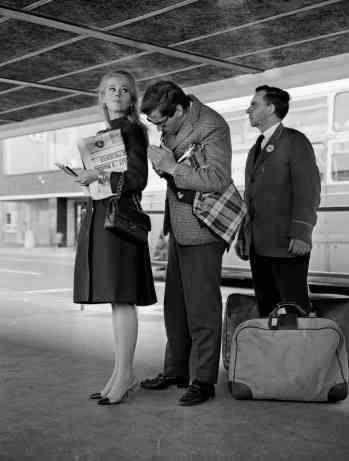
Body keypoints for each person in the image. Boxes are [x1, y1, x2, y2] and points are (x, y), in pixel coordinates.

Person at [140, 81, 232, 406]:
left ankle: (203, 381)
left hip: (204, 231)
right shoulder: (172, 123)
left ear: (179, 110)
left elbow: (217, 179)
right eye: (154, 125)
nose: (159, 129)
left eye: (162, 123)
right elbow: (177, 172)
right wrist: (163, 167)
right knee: (175, 307)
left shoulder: (212, 126)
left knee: (202, 308)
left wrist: (170, 166)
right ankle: (176, 371)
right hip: (180, 226)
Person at [73, 70, 157, 405]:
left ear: (131, 98)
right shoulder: (105, 133)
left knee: (122, 298)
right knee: (116, 299)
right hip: (105, 217)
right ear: (103, 97)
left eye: (124, 89)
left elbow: (138, 178)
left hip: (117, 221)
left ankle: (124, 375)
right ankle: (120, 373)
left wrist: (99, 173)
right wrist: (88, 177)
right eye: (112, 89)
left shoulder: (133, 130)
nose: (118, 93)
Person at [235, 85, 321, 316]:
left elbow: (308, 190)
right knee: (267, 309)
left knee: (294, 310)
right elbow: (250, 199)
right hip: (259, 245)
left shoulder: (294, 141)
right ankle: (274, 353)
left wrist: (302, 233)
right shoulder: (257, 148)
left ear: (271, 108)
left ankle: (300, 352)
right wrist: (244, 235)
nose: (248, 110)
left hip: (287, 244)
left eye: (254, 104)